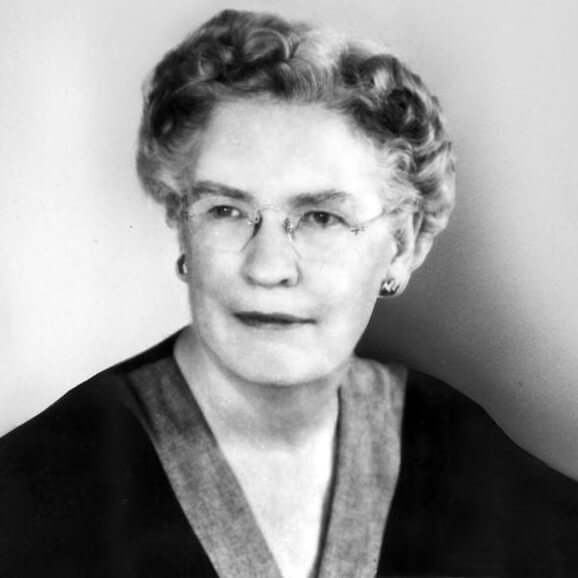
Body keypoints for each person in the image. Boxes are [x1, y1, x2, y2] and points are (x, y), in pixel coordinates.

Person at [1, 8, 577, 578]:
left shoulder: (471, 462)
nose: (269, 267)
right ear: (182, 224)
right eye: (226, 211)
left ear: (401, 246)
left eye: (322, 217)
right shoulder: (33, 486)